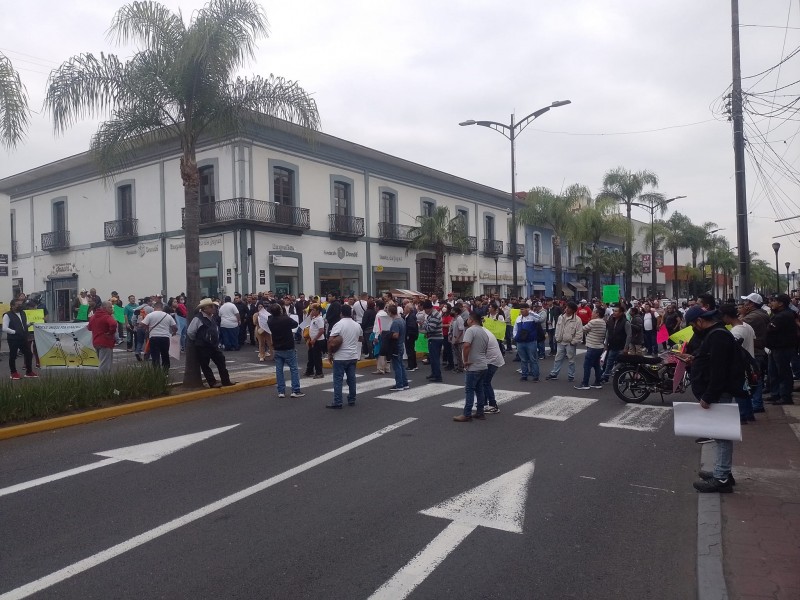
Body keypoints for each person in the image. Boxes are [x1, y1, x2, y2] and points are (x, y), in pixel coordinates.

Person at [683, 305, 748, 493]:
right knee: (720, 435)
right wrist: (695, 359)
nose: (693, 330)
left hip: (720, 392)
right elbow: (711, 361)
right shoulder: (716, 334)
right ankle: (722, 471)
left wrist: (708, 396)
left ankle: (721, 479)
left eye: (693, 325)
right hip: (718, 391)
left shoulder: (718, 336)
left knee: (722, 436)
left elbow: (719, 370)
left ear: (700, 322)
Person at [719, 303, 757, 423]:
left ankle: (742, 416)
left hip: (740, 364)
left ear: (726, 316)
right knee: (745, 390)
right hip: (750, 361)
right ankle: (749, 414)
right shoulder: (747, 326)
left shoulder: (735, 332)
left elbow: (730, 350)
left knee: (739, 391)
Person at [187, 298, 235, 388]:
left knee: (221, 361)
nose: (214, 308)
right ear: (205, 309)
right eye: (211, 307)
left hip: (213, 345)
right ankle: (212, 382)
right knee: (205, 365)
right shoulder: (198, 318)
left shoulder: (212, 317)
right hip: (203, 346)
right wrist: (198, 340)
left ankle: (226, 380)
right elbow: (190, 332)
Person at [453, 312, 489, 422]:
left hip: (474, 365)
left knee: (469, 390)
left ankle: (467, 414)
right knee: (480, 390)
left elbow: (466, 345)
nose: (467, 321)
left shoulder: (470, 330)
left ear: (471, 320)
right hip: (483, 364)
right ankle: (480, 412)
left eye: (468, 319)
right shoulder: (484, 331)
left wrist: (466, 360)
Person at [325, 304, 362, 408]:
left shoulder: (338, 324)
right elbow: (361, 338)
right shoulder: (357, 325)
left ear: (341, 313)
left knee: (338, 380)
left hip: (340, 356)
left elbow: (331, 340)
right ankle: (352, 399)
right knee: (351, 379)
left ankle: (338, 401)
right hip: (353, 355)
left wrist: (330, 354)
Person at [738, 293, 769, 413]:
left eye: (746, 302)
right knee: (755, 377)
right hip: (757, 350)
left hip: (754, 351)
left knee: (754, 377)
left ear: (752, 304)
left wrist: (742, 314)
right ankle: (755, 403)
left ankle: (756, 404)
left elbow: (737, 324)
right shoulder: (761, 314)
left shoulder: (752, 317)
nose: (744, 305)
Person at [765, 293, 796, 406]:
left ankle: (785, 396)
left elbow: (770, 328)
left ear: (781, 303)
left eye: (774, 301)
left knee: (783, 373)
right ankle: (775, 394)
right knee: (773, 372)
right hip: (775, 348)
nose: (771, 303)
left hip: (782, 348)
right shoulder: (779, 314)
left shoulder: (783, 316)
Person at [268, 304, 305, 398]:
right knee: (293, 369)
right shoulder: (285, 319)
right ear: (280, 311)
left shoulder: (270, 321)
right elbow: (295, 324)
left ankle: (281, 391)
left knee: (279, 370)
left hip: (277, 347)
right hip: (288, 346)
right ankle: (295, 390)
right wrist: (285, 315)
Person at [546, 301, 583, 382]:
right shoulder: (561, 317)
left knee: (571, 360)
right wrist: (557, 337)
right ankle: (554, 373)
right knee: (558, 358)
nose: (567, 309)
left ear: (573, 310)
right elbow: (557, 328)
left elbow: (579, 333)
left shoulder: (577, 320)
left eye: (569, 308)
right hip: (560, 341)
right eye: (566, 307)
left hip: (570, 343)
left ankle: (571, 376)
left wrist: (574, 342)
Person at [3, 299, 38, 379]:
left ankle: (29, 372)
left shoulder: (23, 313)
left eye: (20, 304)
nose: (20, 306)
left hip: (23, 337)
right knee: (13, 355)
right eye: (18, 304)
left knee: (29, 354)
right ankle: (13, 373)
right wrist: (14, 332)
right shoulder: (7, 315)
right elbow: (4, 328)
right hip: (13, 339)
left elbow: (23, 324)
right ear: (12, 306)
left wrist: (29, 324)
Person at [575, 306, 606, 390]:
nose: (592, 313)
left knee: (587, 365)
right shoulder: (603, 322)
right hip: (599, 346)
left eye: (593, 312)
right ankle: (598, 382)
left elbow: (582, 329)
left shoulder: (594, 322)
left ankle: (585, 383)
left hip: (592, 346)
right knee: (596, 365)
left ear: (597, 314)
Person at [141, 302, 177, 373]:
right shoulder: (167, 316)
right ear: (162, 307)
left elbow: (142, 324)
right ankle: (165, 371)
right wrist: (174, 333)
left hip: (154, 337)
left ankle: (156, 372)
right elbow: (175, 327)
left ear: (154, 307)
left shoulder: (150, 315)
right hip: (165, 337)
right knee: (165, 355)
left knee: (155, 355)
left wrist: (147, 328)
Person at [601, 305, 632, 383]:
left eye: (616, 311)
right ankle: (606, 377)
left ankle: (621, 379)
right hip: (612, 346)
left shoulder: (625, 322)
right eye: (614, 311)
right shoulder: (611, 320)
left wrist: (626, 347)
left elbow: (629, 335)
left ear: (621, 313)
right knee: (609, 362)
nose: (614, 313)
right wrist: (606, 344)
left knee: (621, 364)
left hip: (621, 347)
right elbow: (608, 333)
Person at [481, 320, 506, 413]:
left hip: (492, 361)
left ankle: (492, 405)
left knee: (485, 382)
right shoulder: (482, 331)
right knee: (484, 382)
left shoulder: (482, 333)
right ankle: (484, 402)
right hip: (491, 359)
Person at [87, 301, 118, 373]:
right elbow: (113, 324)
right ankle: (102, 381)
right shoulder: (107, 316)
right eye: (110, 307)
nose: (112, 309)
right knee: (105, 365)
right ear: (105, 308)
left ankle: (104, 380)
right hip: (105, 342)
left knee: (102, 362)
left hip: (96, 342)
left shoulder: (93, 316)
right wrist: (110, 332)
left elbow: (89, 328)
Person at [513, 304, 540, 382]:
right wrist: (515, 336)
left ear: (527, 309)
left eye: (523, 309)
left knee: (533, 359)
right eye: (520, 309)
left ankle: (535, 376)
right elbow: (515, 328)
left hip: (531, 341)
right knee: (523, 359)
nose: (521, 311)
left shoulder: (533, 317)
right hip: (520, 342)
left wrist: (531, 312)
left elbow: (539, 318)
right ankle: (524, 375)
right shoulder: (518, 318)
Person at [387, 303, 409, 391]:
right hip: (401, 344)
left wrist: (388, 334)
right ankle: (405, 383)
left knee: (397, 366)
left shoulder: (395, 322)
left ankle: (399, 384)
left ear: (390, 312)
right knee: (401, 364)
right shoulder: (402, 320)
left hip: (396, 346)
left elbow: (395, 335)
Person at [421, 300, 444, 382]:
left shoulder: (434, 315)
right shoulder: (431, 315)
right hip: (433, 338)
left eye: (425, 309)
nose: (424, 311)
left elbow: (430, 328)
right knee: (433, 358)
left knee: (435, 358)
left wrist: (423, 324)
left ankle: (437, 376)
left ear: (428, 308)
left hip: (435, 339)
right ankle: (434, 373)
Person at [305, 303, 326, 379]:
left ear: (317, 311)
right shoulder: (314, 318)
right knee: (311, 356)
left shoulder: (319, 319)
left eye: (313, 310)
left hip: (318, 341)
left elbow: (321, 331)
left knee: (317, 357)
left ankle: (319, 372)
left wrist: (314, 339)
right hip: (312, 340)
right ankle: (309, 371)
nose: (311, 311)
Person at [372, 299, 392, 375]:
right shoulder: (386, 313)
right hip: (387, 333)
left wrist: (376, 336)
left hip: (380, 334)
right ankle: (387, 367)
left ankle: (380, 368)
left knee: (379, 352)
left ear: (377, 307)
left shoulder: (378, 315)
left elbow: (378, 326)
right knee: (386, 351)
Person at [403, 301, 419, 371]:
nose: (404, 309)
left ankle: (411, 366)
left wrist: (408, 335)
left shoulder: (411, 316)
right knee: (412, 350)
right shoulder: (410, 315)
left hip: (410, 335)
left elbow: (411, 326)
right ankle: (414, 365)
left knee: (410, 350)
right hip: (411, 335)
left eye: (405, 308)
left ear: (408, 309)